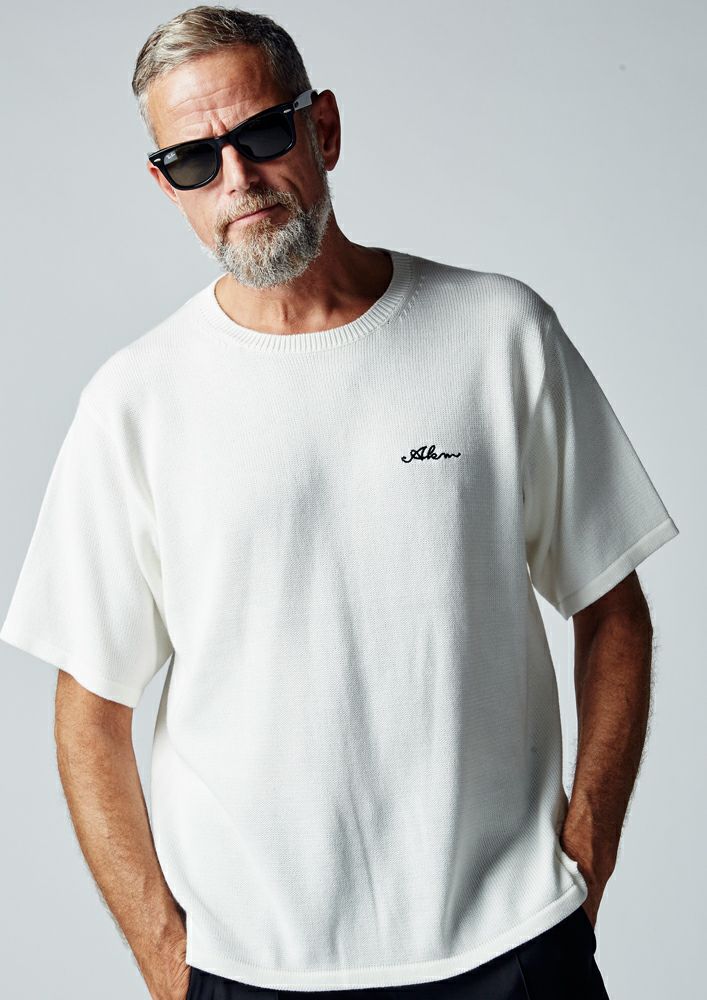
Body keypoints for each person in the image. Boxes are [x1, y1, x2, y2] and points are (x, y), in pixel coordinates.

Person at [0, 6, 679, 1000]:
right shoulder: (135, 402)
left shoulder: (496, 334)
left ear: (320, 128)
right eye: (194, 160)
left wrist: (587, 853)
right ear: (166, 185)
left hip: (511, 944)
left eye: (260, 134)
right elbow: (88, 710)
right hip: (247, 967)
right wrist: (163, 958)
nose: (236, 177)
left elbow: (611, 606)